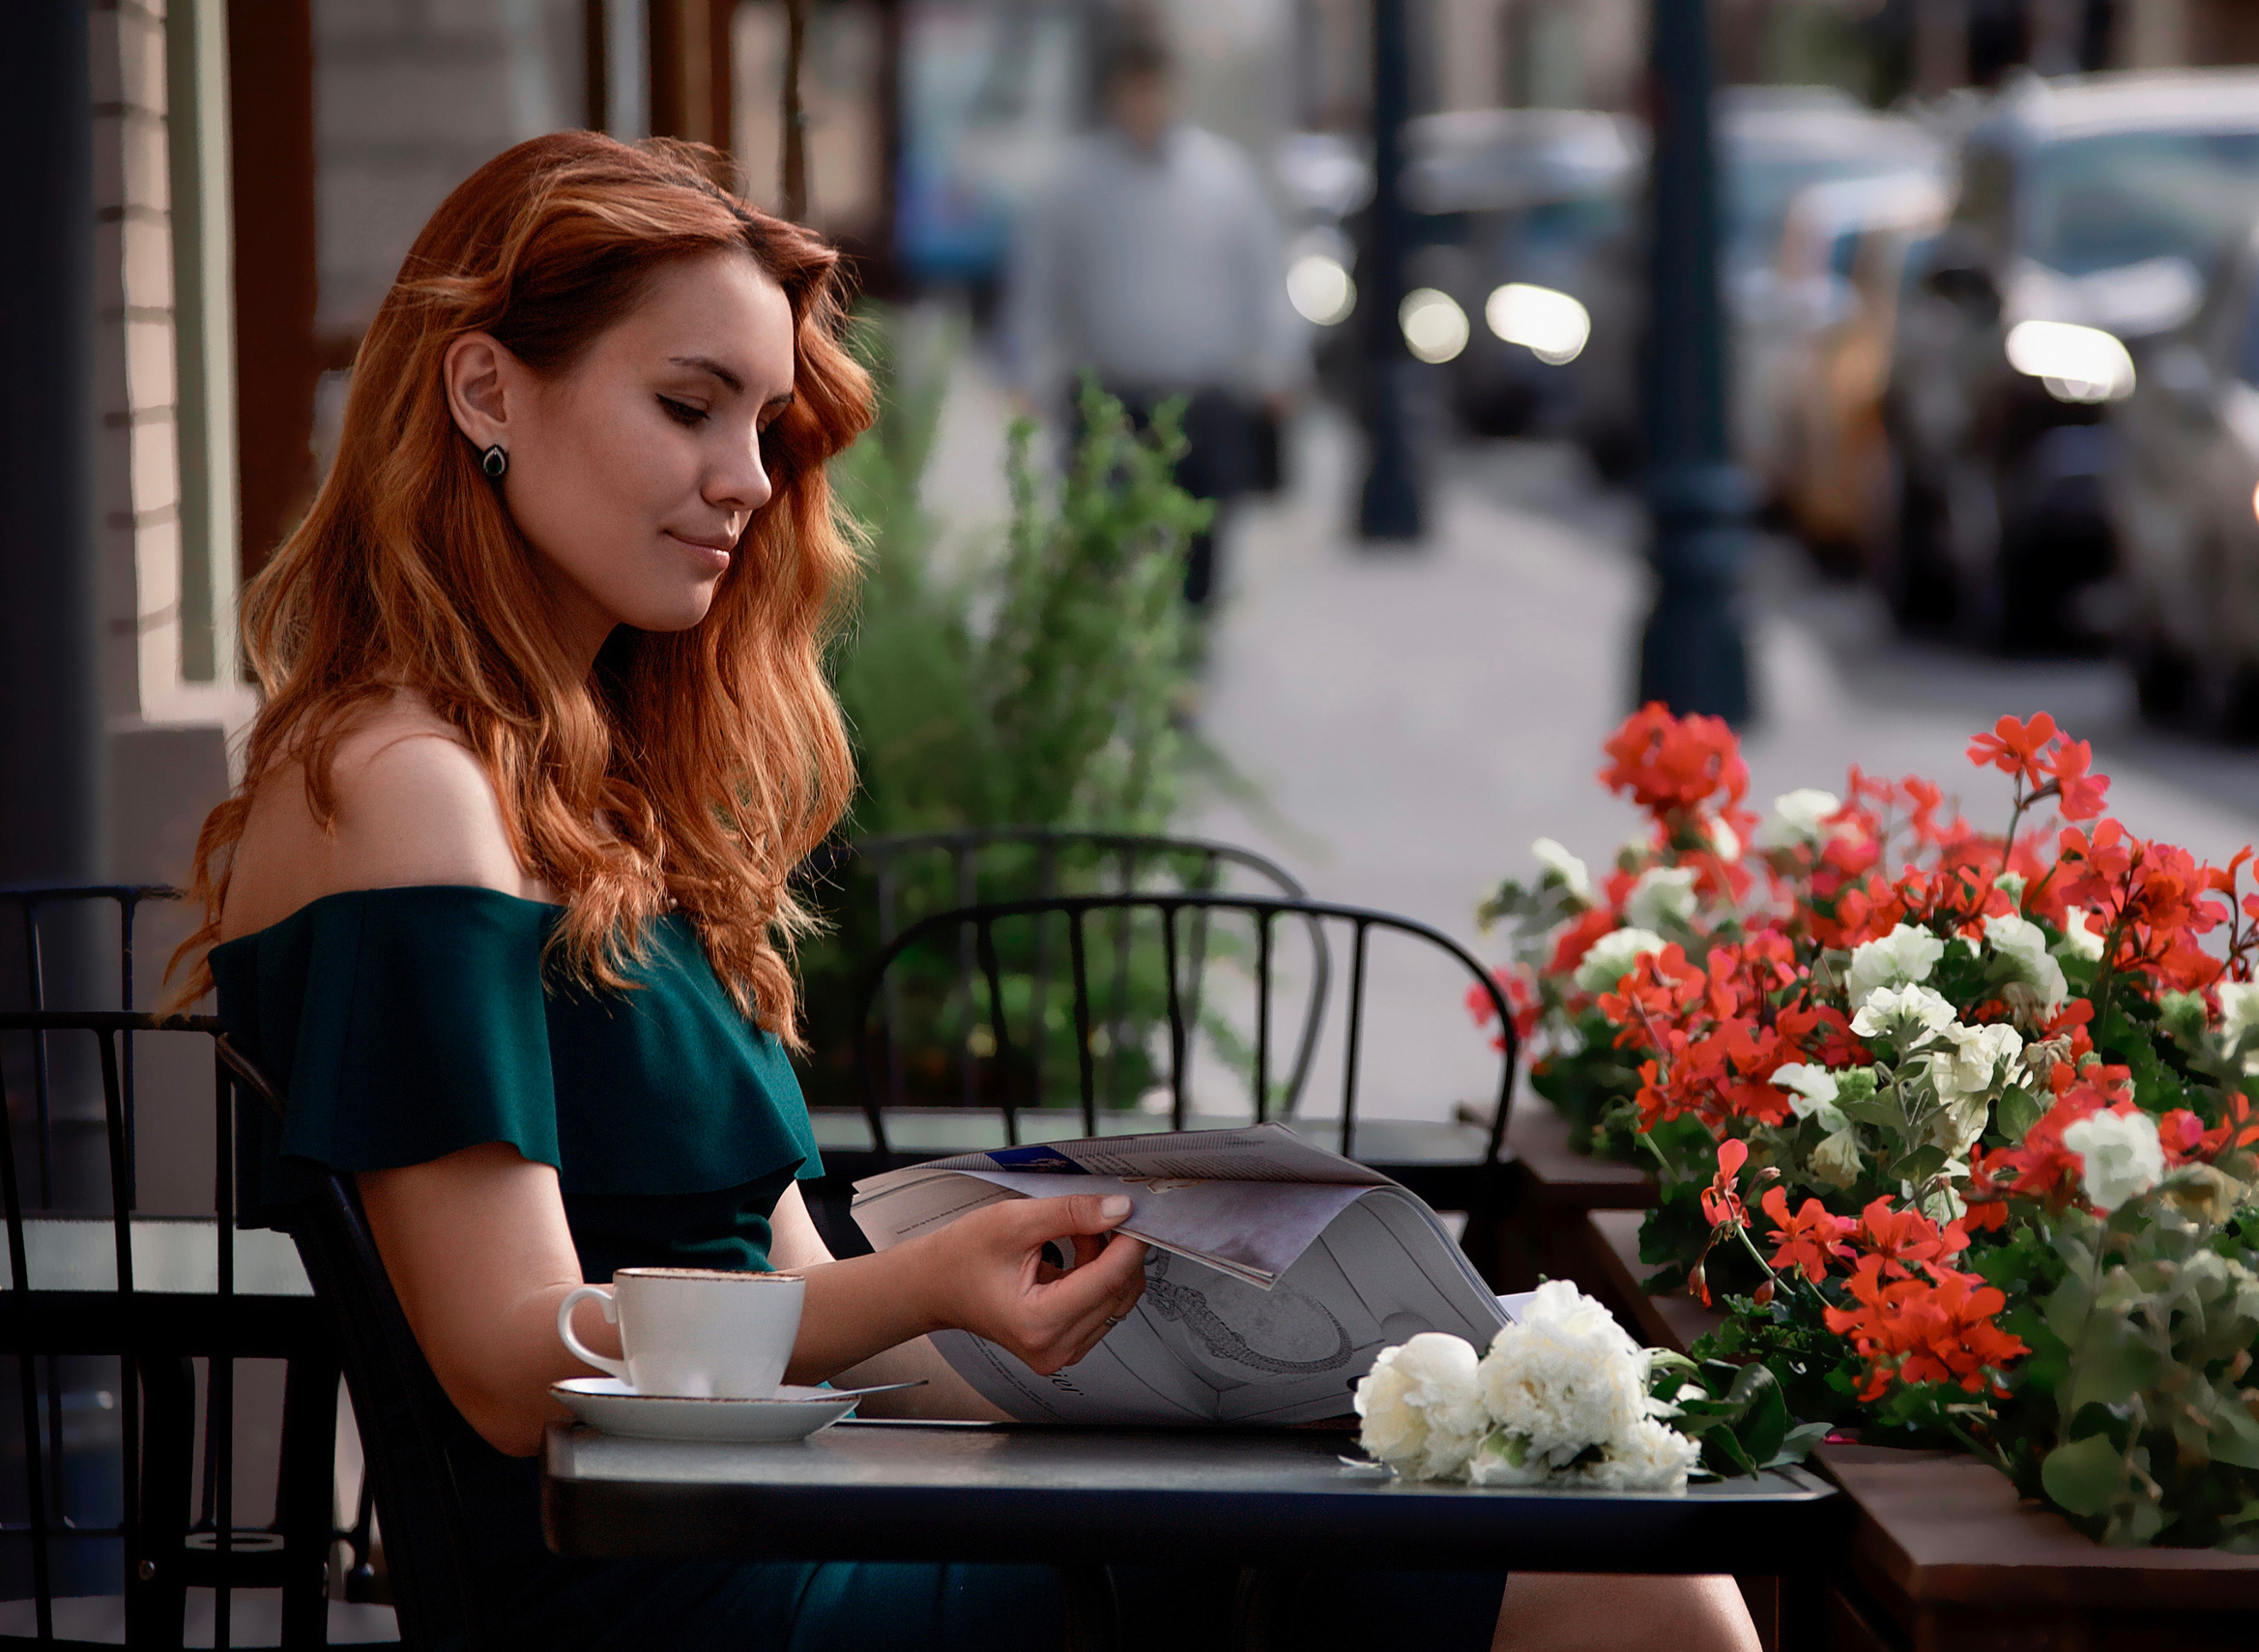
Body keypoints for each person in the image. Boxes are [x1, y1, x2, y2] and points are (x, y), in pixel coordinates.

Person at [168, 132, 1755, 1652]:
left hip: (779, 1519)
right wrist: (924, 1280)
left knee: (1605, 1540)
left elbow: (791, 1296)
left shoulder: (585, 803)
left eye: (766, 428)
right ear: (486, 385)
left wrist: (1178, 1335)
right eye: (687, 405)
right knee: (1625, 1585)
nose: (740, 478)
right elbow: (512, 1359)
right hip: (675, 1591)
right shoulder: (406, 786)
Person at [1004, 34, 1304, 609]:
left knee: (1201, 549)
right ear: (1114, 96)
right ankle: (1118, 678)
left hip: (1204, 399)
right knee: (1102, 554)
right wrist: (1025, 373)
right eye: (1134, 92)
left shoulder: (1223, 178)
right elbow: (1037, 287)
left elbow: (1261, 276)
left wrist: (1280, 366)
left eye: (1156, 91)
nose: (1147, 105)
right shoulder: (1074, 185)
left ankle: (1184, 674)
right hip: (1108, 403)